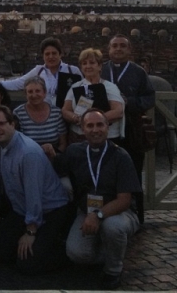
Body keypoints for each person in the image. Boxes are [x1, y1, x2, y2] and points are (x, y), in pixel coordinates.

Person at [0, 105, 70, 274]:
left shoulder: (28, 153)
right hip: (21, 209)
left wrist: (30, 231)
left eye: (1, 124)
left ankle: (63, 250)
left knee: (28, 264)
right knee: (0, 252)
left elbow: (34, 196)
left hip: (50, 210)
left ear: (12, 124)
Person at [55, 109, 140, 290]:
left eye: (100, 124)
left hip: (119, 212)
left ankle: (113, 269)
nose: (95, 130)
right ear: (82, 129)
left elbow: (124, 200)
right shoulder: (74, 152)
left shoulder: (121, 156)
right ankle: (113, 248)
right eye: (90, 125)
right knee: (77, 254)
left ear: (108, 127)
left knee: (113, 227)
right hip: (87, 211)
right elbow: (59, 167)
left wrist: (98, 215)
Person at [101, 34, 155, 223]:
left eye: (122, 46)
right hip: (106, 132)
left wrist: (128, 102)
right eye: (114, 46)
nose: (118, 49)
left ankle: (138, 216)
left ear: (129, 49)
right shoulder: (101, 70)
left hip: (131, 132)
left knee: (133, 173)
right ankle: (108, 213)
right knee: (107, 174)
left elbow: (149, 98)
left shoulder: (138, 72)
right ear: (108, 50)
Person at [62, 49, 124, 143]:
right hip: (79, 137)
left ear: (99, 66)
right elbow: (65, 110)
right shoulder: (75, 86)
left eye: (92, 63)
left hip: (107, 137)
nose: (88, 66)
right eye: (84, 63)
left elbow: (118, 111)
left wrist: (92, 121)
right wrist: (76, 118)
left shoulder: (110, 87)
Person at [3, 37, 82, 108]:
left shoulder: (72, 71)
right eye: (47, 54)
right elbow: (17, 83)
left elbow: (83, 93)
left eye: (54, 53)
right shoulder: (38, 71)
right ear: (43, 56)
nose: (51, 57)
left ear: (60, 54)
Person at [13, 76, 67, 160]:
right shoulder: (18, 113)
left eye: (38, 91)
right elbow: (17, 144)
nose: (34, 95)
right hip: (28, 159)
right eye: (30, 92)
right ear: (25, 94)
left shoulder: (56, 113)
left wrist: (54, 155)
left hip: (53, 159)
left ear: (44, 93)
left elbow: (63, 143)